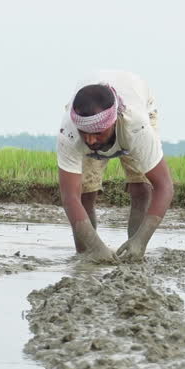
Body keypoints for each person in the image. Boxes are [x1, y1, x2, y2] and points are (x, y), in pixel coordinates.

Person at [56, 71, 174, 262]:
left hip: (139, 106)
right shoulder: (69, 132)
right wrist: (96, 247)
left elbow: (164, 186)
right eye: (84, 133)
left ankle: (134, 253)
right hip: (93, 115)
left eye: (97, 133)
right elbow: (69, 195)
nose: (91, 140)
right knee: (85, 191)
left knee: (141, 186)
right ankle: (87, 253)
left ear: (113, 122)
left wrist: (141, 240)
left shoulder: (136, 127)